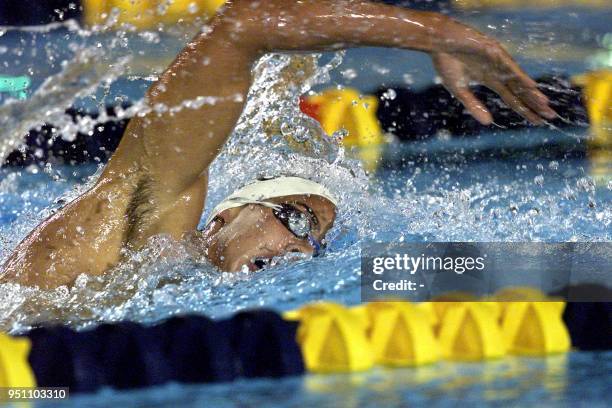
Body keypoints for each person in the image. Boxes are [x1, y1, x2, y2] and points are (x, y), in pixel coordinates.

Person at [0, 0, 556, 289]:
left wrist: (581, 275)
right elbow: (242, 26)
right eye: (292, 220)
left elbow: (436, 276)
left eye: (313, 240)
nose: (302, 250)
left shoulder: (186, 285)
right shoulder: (134, 223)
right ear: (220, 218)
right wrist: (441, 33)